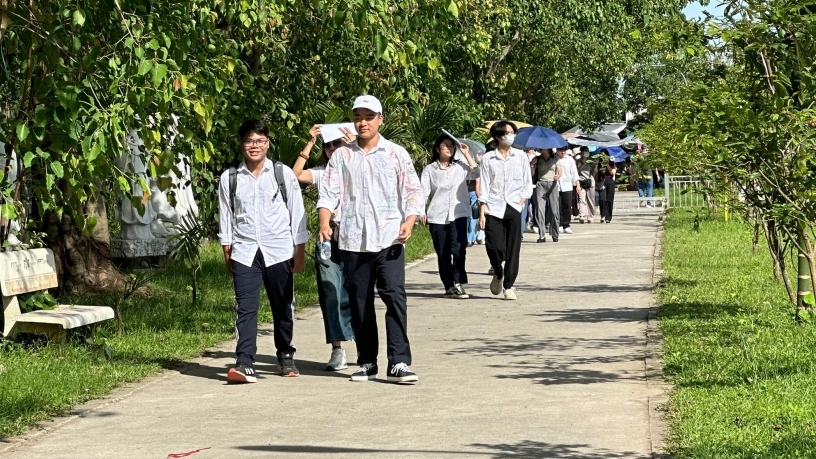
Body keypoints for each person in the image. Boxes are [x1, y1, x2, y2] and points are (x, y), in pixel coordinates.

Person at [317, 95, 422, 383]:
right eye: (358, 117)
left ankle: (399, 362)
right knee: (359, 301)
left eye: (369, 117)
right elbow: (328, 193)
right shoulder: (342, 156)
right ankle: (367, 361)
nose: (363, 123)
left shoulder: (396, 154)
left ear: (380, 119)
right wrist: (324, 221)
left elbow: (413, 191)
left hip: (389, 238)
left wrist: (409, 221)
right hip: (353, 240)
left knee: (394, 297)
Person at [218, 119, 309, 383]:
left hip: (279, 249)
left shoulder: (282, 174)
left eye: (260, 141)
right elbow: (226, 216)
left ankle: (285, 354)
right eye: (249, 140)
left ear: (268, 143)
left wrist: (299, 251)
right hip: (245, 251)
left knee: (282, 306)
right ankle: (245, 362)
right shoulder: (230, 178)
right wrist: (227, 250)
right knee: (246, 308)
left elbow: (297, 213)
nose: (254, 146)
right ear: (241, 144)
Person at [292, 124, 355, 371]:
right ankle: (337, 349)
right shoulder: (322, 172)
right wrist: (310, 142)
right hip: (328, 236)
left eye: (336, 143)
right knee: (330, 290)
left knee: (356, 290)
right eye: (327, 145)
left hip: (357, 237)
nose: (331, 148)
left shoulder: (358, 165)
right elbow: (295, 175)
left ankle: (363, 343)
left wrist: (353, 148)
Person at [478, 120, 533, 300]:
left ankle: (509, 285)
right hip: (493, 206)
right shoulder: (488, 158)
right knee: (494, 246)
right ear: (498, 136)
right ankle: (498, 271)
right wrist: (482, 212)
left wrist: (522, 198)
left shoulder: (520, 156)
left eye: (513, 133)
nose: (511, 136)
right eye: (508, 133)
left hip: (514, 205)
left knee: (513, 248)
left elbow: (527, 181)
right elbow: (484, 185)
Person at [420, 134, 478, 299]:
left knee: (459, 249)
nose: (449, 148)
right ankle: (449, 285)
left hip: (458, 214)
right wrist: (421, 210)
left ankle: (458, 282)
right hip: (437, 215)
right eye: (445, 145)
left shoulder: (460, 167)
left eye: (451, 146)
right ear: (437, 148)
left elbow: (476, 173)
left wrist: (466, 154)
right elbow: (423, 192)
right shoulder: (430, 169)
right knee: (443, 252)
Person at [533, 148, 562, 243]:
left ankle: (555, 233)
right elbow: (531, 173)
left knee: (554, 211)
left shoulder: (555, 158)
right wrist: (532, 164)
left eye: (542, 148)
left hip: (552, 184)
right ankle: (541, 235)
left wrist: (558, 176)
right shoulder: (537, 159)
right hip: (540, 184)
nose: (540, 149)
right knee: (540, 210)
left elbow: (559, 170)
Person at [556, 147, 580, 234]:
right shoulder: (554, 159)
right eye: (560, 151)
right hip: (556, 185)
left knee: (567, 206)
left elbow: (574, 173)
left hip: (567, 186)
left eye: (564, 151)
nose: (562, 153)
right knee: (558, 206)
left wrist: (577, 185)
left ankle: (566, 225)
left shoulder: (570, 159)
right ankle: (559, 225)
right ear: (557, 151)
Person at [575, 146, 596, 223]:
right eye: (585, 151)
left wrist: (595, 166)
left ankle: (591, 216)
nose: (587, 152)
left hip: (590, 182)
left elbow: (594, 173)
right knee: (581, 199)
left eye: (587, 151)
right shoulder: (577, 161)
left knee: (591, 200)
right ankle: (582, 215)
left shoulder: (591, 161)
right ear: (581, 152)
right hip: (581, 182)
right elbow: (575, 173)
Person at [598, 156, 617, 223]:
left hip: (610, 181)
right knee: (602, 199)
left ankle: (608, 217)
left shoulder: (612, 163)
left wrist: (607, 165)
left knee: (609, 200)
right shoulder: (599, 163)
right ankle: (602, 215)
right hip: (601, 182)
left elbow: (613, 173)